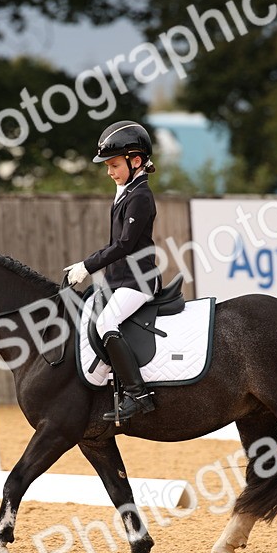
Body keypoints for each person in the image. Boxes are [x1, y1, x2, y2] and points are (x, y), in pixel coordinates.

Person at [65, 120, 160, 422]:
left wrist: (87, 265)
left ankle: (138, 394)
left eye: (114, 165)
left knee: (107, 323)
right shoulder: (124, 192)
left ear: (136, 161)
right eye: (107, 166)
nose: (109, 172)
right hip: (121, 279)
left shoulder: (140, 197)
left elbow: (122, 245)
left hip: (138, 281)